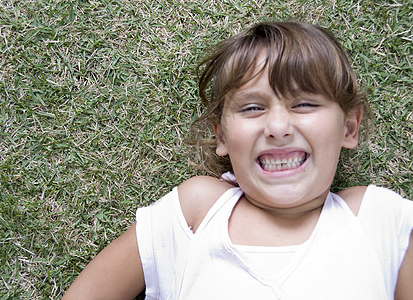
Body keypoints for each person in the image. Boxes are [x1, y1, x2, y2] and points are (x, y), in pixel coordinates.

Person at [63, 21, 413, 300]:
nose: (277, 127)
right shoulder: (196, 214)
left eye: (304, 103)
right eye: (252, 108)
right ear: (222, 137)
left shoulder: (379, 219)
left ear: (349, 127)